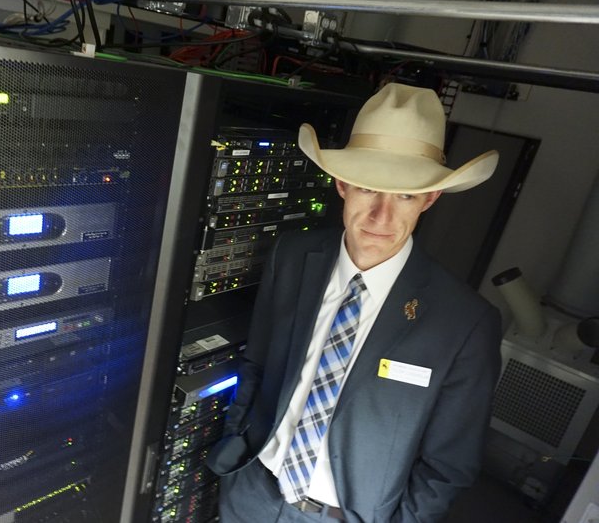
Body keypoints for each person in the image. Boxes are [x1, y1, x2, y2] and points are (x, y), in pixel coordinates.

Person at [206, 82, 503, 523]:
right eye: (368, 188)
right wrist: (238, 439)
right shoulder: (292, 257)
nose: (382, 216)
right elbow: (258, 362)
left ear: (430, 198)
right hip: (252, 490)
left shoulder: (465, 322)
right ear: (342, 184)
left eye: (404, 195)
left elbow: (449, 465)